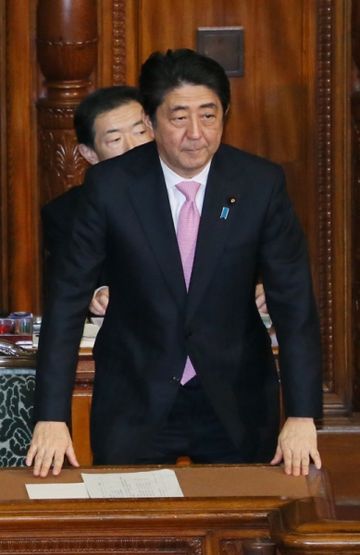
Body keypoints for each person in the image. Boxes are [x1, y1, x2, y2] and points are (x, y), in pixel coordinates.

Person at [27, 48, 322, 478]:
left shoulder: (259, 184)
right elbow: (67, 302)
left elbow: (295, 305)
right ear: (151, 121)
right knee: (132, 535)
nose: (196, 133)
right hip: (135, 397)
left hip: (235, 400)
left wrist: (302, 415)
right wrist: (51, 417)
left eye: (209, 115)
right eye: (179, 117)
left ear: (225, 114)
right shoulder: (111, 187)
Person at [42, 85, 153, 310]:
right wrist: (98, 293)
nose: (132, 147)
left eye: (140, 132)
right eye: (115, 140)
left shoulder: (189, 191)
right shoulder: (67, 212)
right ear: (89, 154)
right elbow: (69, 283)